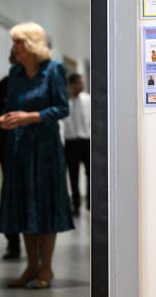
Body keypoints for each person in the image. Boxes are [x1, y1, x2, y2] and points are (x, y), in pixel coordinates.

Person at [0, 21, 74, 289]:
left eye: (18, 42)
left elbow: (63, 109)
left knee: (46, 206)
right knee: (24, 205)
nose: (14, 48)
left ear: (31, 44)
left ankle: (46, 268)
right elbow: (11, 105)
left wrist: (31, 117)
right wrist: (7, 119)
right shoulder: (15, 73)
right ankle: (30, 266)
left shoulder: (54, 70)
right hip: (19, 147)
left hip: (46, 148)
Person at [0, 51, 21, 260]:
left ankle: (35, 242)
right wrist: (8, 123)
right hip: (8, 148)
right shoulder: (1, 87)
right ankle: (13, 242)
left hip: (34, 147)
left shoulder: (39, 85)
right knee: (10, 196)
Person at [63, 73, 91, 215]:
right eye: (80, 83)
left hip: (86, 141)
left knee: (90, 173)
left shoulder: (87, 100)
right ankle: (76, 205)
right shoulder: (64, 102)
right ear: (72, 84)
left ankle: (91, 202)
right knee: (73, 176)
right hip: (71, 143)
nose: (82, 86)